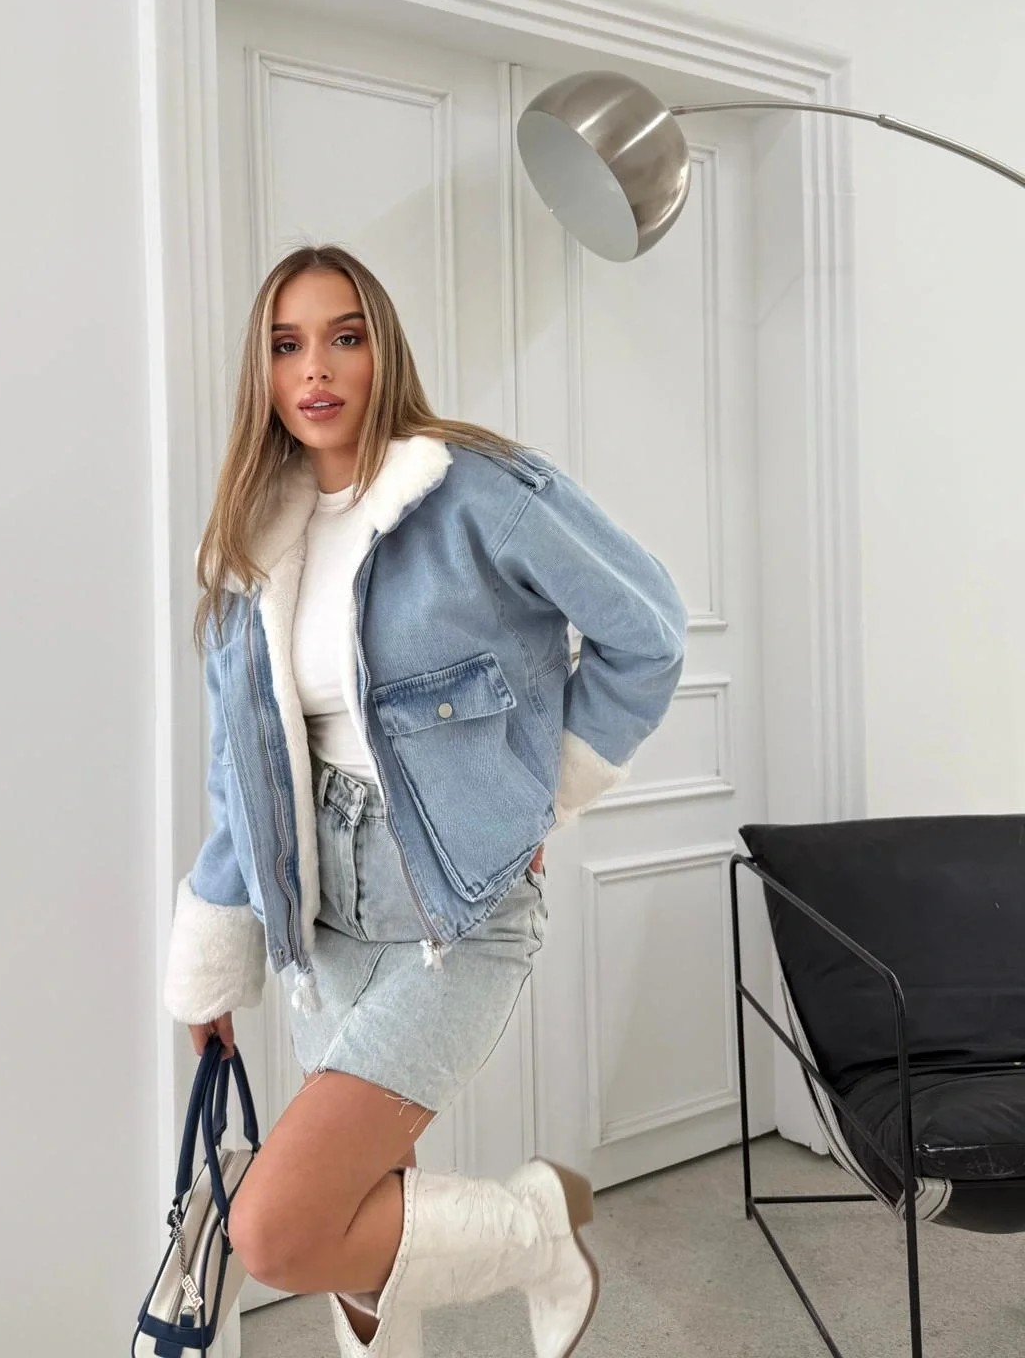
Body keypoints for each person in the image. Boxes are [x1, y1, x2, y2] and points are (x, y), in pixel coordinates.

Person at [161, 242, 688, 1356]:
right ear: (263, 373)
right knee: (359, 1232)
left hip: (456, 912)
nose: (316, 368)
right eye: (287, 345)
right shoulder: (252, 540)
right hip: (323, 920)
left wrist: (542, 798)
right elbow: (240, 770)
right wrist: (215, 951)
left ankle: (540, 1231)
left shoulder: (474, 491)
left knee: (280, 1231)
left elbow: (647, 634)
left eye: (344, 336)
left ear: (383, 349)